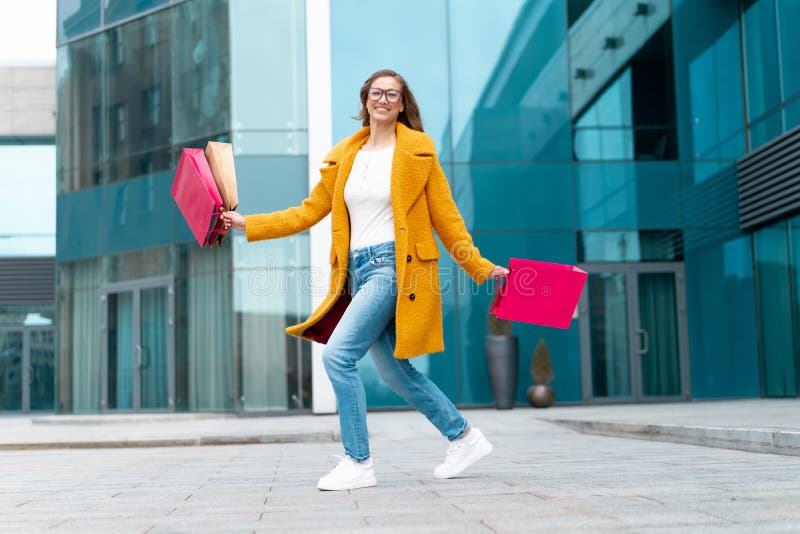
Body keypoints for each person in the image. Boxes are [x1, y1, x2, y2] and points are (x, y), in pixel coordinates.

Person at [221, 69, 509, 491]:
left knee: (338, 356)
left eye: (393, 94)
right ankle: (464, 436)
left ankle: (358, 461)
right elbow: (307, 211)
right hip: (356, 271)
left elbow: (447, 219)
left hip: (395, 268)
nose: (384, 100)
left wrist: (480, 266)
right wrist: (248, 223)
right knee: (395, 374)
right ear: (366, 99)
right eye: (377, 92)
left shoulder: (418, 151)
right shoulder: (346, 156)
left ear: (402, 102)